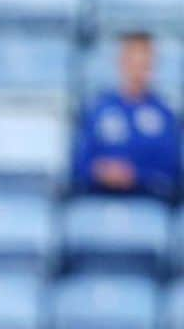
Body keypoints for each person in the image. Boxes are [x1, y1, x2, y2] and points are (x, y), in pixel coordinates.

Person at [72, 31, 182, 204]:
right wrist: (102, 172)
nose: (137, 71)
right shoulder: (98, 109)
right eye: (132, 62)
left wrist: (135, 174)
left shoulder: (165, 115)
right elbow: (79, 165)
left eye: (144, 64)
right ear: (121, 63)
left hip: (148, 203)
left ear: (153, 66)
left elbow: (171, 168)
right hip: (99, 201)